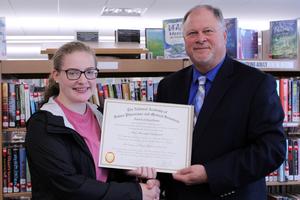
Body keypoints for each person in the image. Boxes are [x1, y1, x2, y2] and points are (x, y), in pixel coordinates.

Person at [156, 4, 286, 200]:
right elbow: (161, 142)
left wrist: (211, 173)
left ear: (224, 36)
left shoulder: (256, 83)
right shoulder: (168, 86)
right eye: (192, 33)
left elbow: (271, 150)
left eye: (208, 31)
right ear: (184, 41)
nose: (200, 39)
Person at [25, 41, 160, 200]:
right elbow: (68, 185)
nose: (83, 81)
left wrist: (132, 172)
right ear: (56, 75)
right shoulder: (42, 125)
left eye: (90, 72)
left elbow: (108, 170)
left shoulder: (104, 117)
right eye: (73, 73)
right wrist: (136, 192)